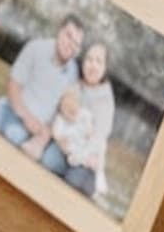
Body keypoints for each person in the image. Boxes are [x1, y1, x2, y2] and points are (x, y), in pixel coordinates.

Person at [0, 13, 86, 155]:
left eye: (76, 43)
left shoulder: (73, 72)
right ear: (59, 31)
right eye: (68, 36)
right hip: (14, 111)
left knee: (20, 141)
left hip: (39, 130)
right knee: (8, 133)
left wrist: (45, 134)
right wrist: (28, 119)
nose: (71, 45)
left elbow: (64, 111)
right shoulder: (36, 48)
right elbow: (13, 87)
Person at [41, 40, 116, 198]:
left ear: (105, 68)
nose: (92, 65)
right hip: (66, 146)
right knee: (49, 160)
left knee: (74, 181)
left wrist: (79, 156)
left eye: (98, 61)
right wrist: (60, 141)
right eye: (89, 59)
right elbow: (58, 116)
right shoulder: (74, 85)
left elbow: (97, 140)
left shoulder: (106, 101)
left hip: (87, 158)